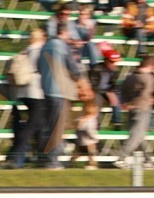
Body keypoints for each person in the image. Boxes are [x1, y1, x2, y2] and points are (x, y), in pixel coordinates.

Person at [38, 25, 81, 170]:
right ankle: (52, 160)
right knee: (57, 128)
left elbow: (38, 66)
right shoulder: (63, 47)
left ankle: (47, 157)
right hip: (59, 92)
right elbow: (73, 68)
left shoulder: (45, 45)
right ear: (64, 32)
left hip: (46, 90)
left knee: (50, 126)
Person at [10, 28, 46, 168]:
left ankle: (42, 157)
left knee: (40, 125)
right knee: (32, 125)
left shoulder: (26, 51)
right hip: (36, 92)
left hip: (23, 92)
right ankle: (15, 155)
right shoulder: (39, 52)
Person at [114, 55, 154, 168]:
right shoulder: (148, 78)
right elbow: (146, 94)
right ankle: (121, 157)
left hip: (132, 108)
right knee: (136, 135)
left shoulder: (130, 76)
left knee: (139, 135)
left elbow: (122, 91)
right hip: (143, 108)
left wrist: (126, 103)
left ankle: (148, 160)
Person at [91, 44, 123, 129]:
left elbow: (114, 84)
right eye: (112, 62)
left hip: (107, 91)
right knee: (96, 99)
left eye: (115, 62)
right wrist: (105, 92)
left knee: (116, 96)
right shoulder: (96, 68)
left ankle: (117, 121)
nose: (115, 64)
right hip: (97, 91)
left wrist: (110, 91)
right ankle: (96, 124)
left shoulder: (114, 71)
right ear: (106, 61)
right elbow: (93, 84)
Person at [71, 94, 100, 169]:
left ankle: (72, 162)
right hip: (88, 142)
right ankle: (92, 164)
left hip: (80, 141)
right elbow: (90, 130)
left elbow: (77, 128)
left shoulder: (81, 119)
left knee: (78, 152)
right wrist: (95, 137)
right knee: (91, 152)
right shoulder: (91, 120)